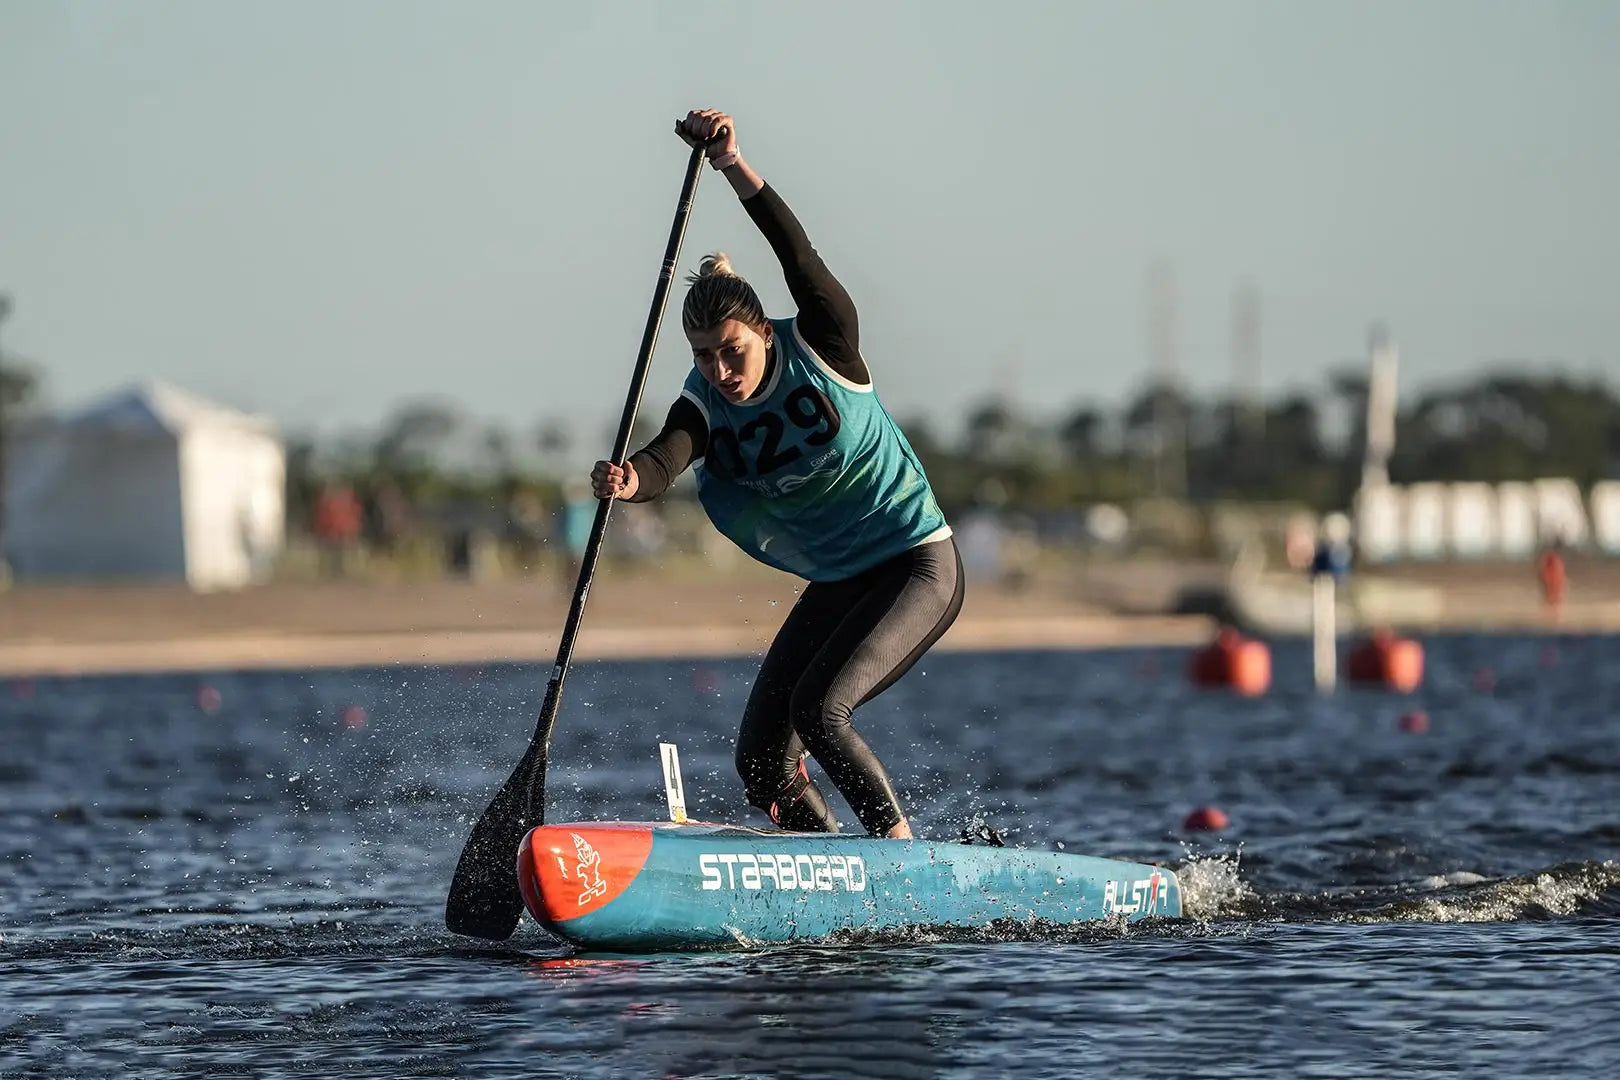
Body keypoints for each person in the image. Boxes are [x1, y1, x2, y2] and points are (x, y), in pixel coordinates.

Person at [591, 109, 962, 840]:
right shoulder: (703, 401)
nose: (719, 371)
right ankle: (825, 865)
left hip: (917, 563)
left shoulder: (824, 337)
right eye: (702, 356)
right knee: (760, 760)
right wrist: (632, 480)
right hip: (842, 577)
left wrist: (732, 165)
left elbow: (796, 253)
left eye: (731, 350)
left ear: (763, 331)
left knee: (820, 712)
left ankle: (898, 852)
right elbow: (671, 451)